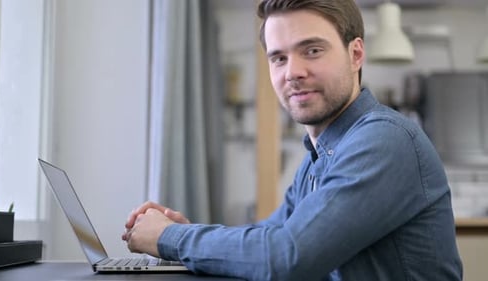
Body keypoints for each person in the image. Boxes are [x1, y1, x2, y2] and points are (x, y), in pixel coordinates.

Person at [122, 0, 463, 280]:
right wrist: (190, 233)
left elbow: (287, 256)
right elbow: (267, 240)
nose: (293, 72)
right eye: (279, 58)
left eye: (312, 50)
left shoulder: (385, 139)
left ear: (356, 54)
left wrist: (170, 238)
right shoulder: (320, 155)